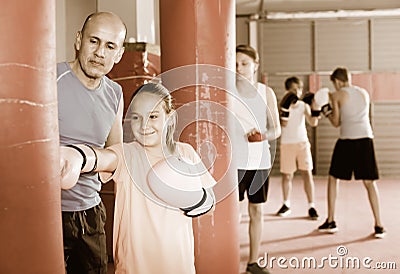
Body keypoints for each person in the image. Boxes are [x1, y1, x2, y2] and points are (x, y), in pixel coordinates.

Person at [61, 83, 216, 273]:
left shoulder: (185, 153)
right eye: (136, 117)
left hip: (178, 266)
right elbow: (102, 158)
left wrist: (191, 198)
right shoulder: (127, 154)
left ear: (170, 117)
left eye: (153, 116)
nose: (144, 126)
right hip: (134, 268)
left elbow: (211, 202)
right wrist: (77, 157)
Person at [57, 12, 126, 273]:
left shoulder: (115, 93)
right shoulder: (50, 79)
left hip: (91, 214)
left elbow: (115, 155)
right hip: (48, 213)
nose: (100, 53)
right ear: (79, 40)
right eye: (93, 41)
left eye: (110, 46)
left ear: (119, 54)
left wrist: (83, 158)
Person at [317, 67, 386, 238]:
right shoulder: (364, 93)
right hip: (365, 139)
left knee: (333, 178)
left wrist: (326, 110)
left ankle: (331, 220)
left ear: (337, 81)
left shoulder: (337, 95)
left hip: (347, 140)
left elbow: (336, 122)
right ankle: (379, 225)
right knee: (370, 183)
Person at [235, 45, 281, 274]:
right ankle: (228, 257)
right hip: (233, 163)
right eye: (234, 64)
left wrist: (262, 135)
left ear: (255, 64)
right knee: (232, 214)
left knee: (257, 211)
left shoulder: (266, 92)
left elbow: (276, 130)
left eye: (244, 63)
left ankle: (253, 262)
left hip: (259, 162)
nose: (239, 68)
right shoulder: (225, 92)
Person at [276, 76, 320, 220]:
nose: (297, 92)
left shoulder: (303, 106)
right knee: (287, 176)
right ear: (287, 90)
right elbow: (283, 124)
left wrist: (316, 108)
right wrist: (286, 108)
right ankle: (286, 204)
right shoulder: (282, 105)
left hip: (302, 143)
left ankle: (311, 206)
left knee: (307, 174)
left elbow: (313, 123)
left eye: (299, 89)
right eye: (294, 89)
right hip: (287, 143)